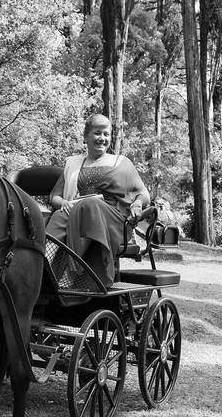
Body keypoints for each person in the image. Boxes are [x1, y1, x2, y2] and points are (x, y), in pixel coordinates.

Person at [46, 114, 150, 289]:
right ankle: (42, 263)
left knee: (89, 205)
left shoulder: (122, 163)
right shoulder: (73, 164)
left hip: (112, 219)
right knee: (60, 215)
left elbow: (144, 194)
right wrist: (63, 203)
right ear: (86, 136)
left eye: (106, 134)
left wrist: (137, 204)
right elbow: (54, 196)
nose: (102, 138)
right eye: (97, 133)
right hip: (79, 212)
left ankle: (70, 273)